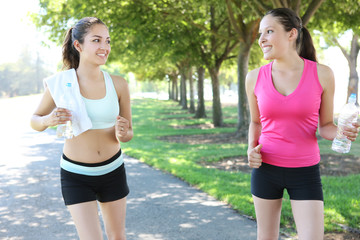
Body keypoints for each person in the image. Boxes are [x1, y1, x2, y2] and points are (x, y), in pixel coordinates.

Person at [246, 8, 359, 240]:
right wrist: (251, 148)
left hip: (305, 172)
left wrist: (341, 131)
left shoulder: (323, 74)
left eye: (269, 31)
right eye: (260, 33)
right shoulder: (254, 77)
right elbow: (256, 122)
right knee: (266, 236)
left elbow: (325, 125)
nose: (262, 39)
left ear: (292, 34)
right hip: (265, 170)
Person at [30, 17, 132, 240]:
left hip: (113, 169)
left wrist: (124, 134)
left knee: (117, 237)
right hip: (76, 174)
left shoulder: (119, 84)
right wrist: (47, 120)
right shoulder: (61, 83)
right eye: (96, 40)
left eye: (107, 40)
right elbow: (34, 120)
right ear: (78, 45)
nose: (104, 47)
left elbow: (129, 133)